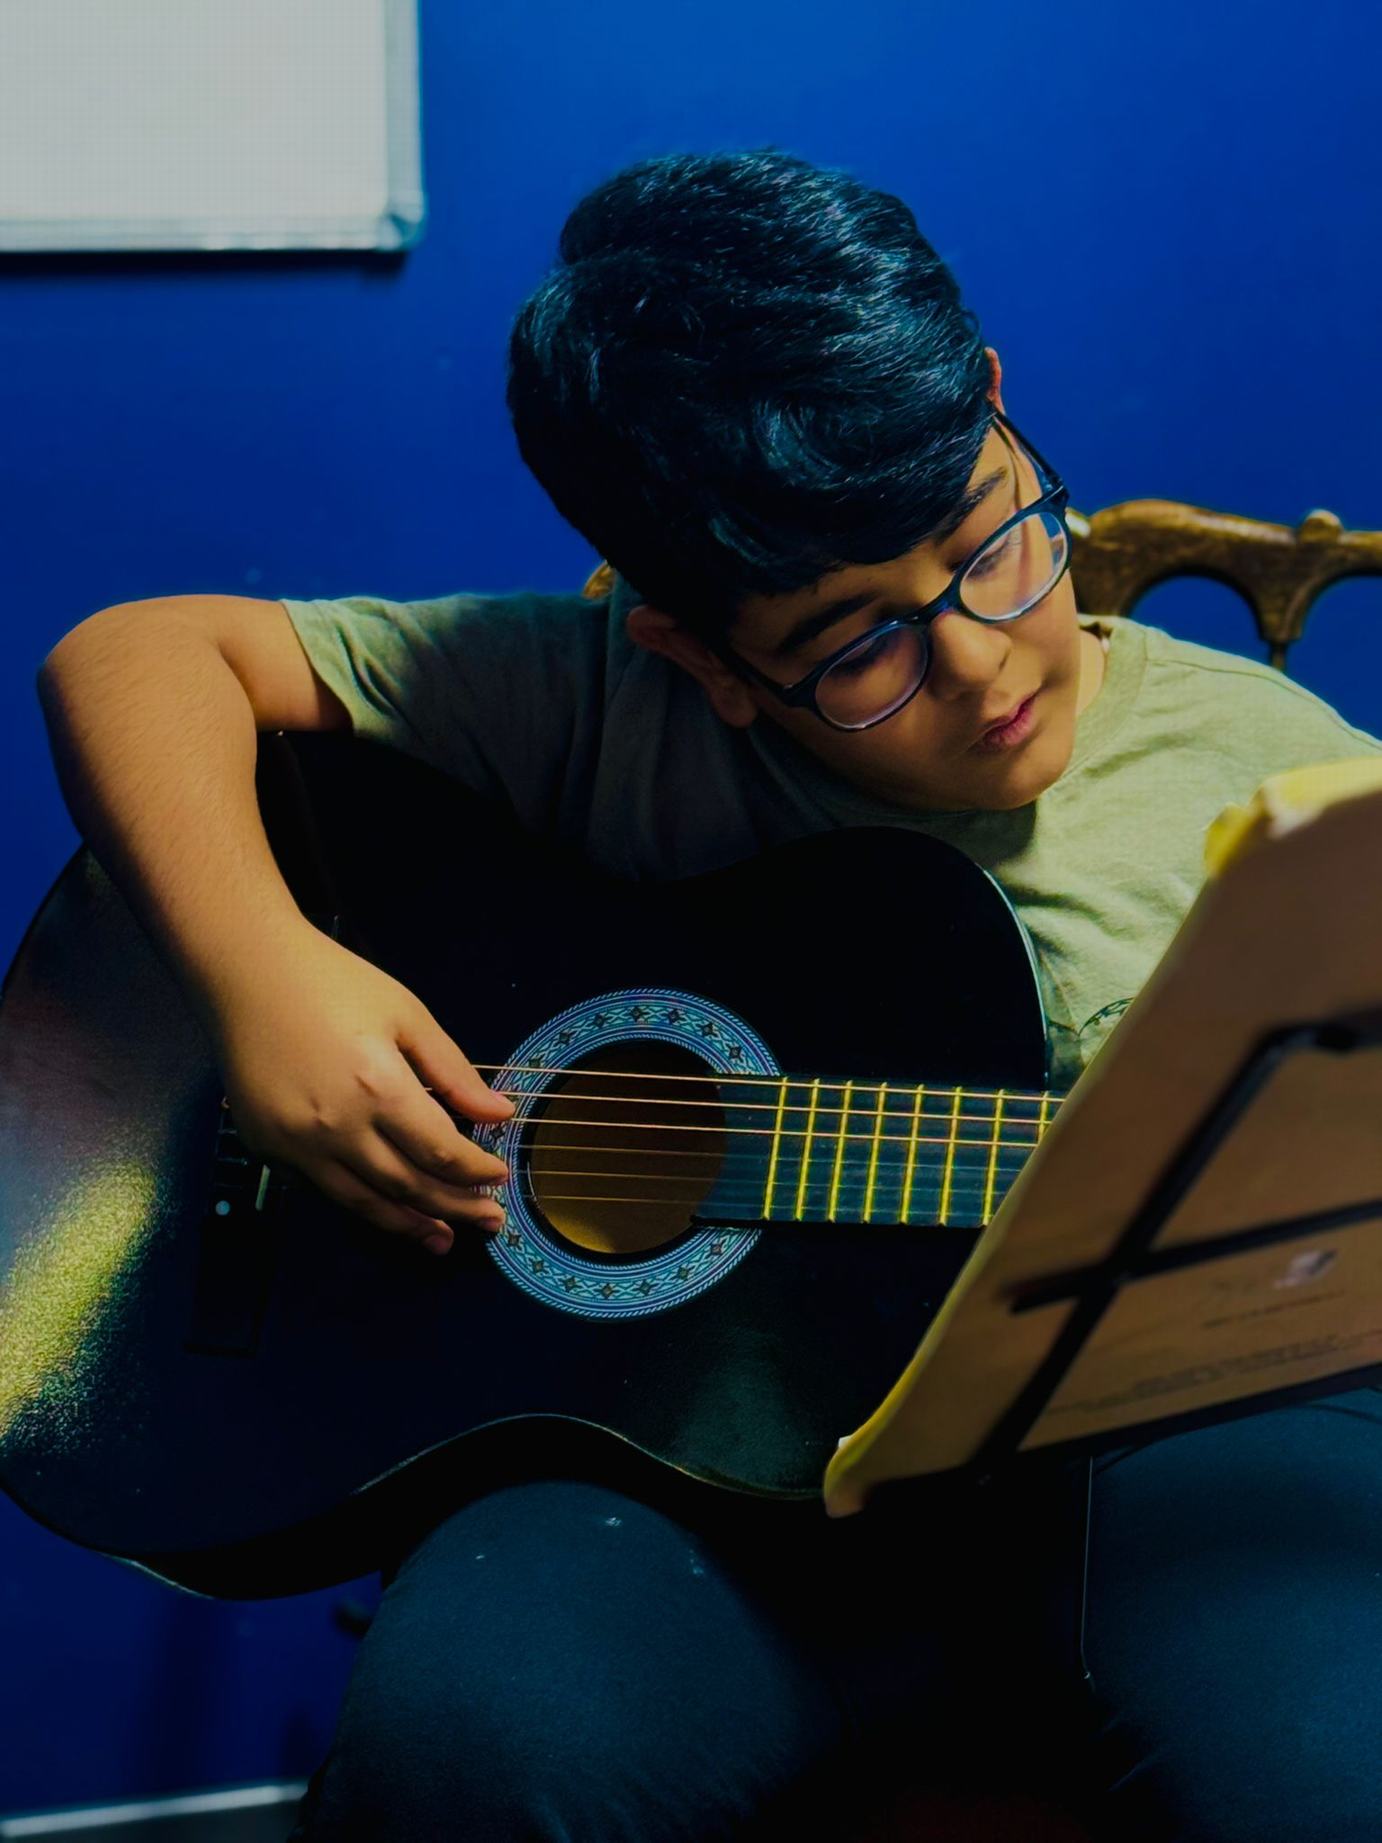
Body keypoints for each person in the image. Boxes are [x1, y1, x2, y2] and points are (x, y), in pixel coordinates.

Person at [35, 148, 1382, 1841]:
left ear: (993, 403)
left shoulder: (1284, 780)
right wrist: (265, 977)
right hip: (680, 1467)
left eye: (990, 543)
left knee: (1337, 1773)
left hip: (1169, 1443)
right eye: (854, 646)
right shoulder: (597, 707)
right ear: (692, 646)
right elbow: (132, 656)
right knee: (472, 1754)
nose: (979, 663)